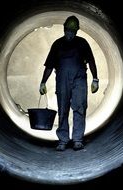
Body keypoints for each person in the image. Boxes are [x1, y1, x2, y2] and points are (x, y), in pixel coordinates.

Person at [39, 15, 99, 151]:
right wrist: (43, 82)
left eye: (72, 31)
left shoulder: (82, 43)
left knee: (79, 108)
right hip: (62, 81)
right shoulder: (57, 44)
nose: (70, 33)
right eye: (68, 30)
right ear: (64, 29)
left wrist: (95, 79)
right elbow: (49, 65)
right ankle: (63, 140)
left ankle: (77, 139)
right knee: (63, 109)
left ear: (77, 31)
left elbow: (91, 61)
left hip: (79, 80)